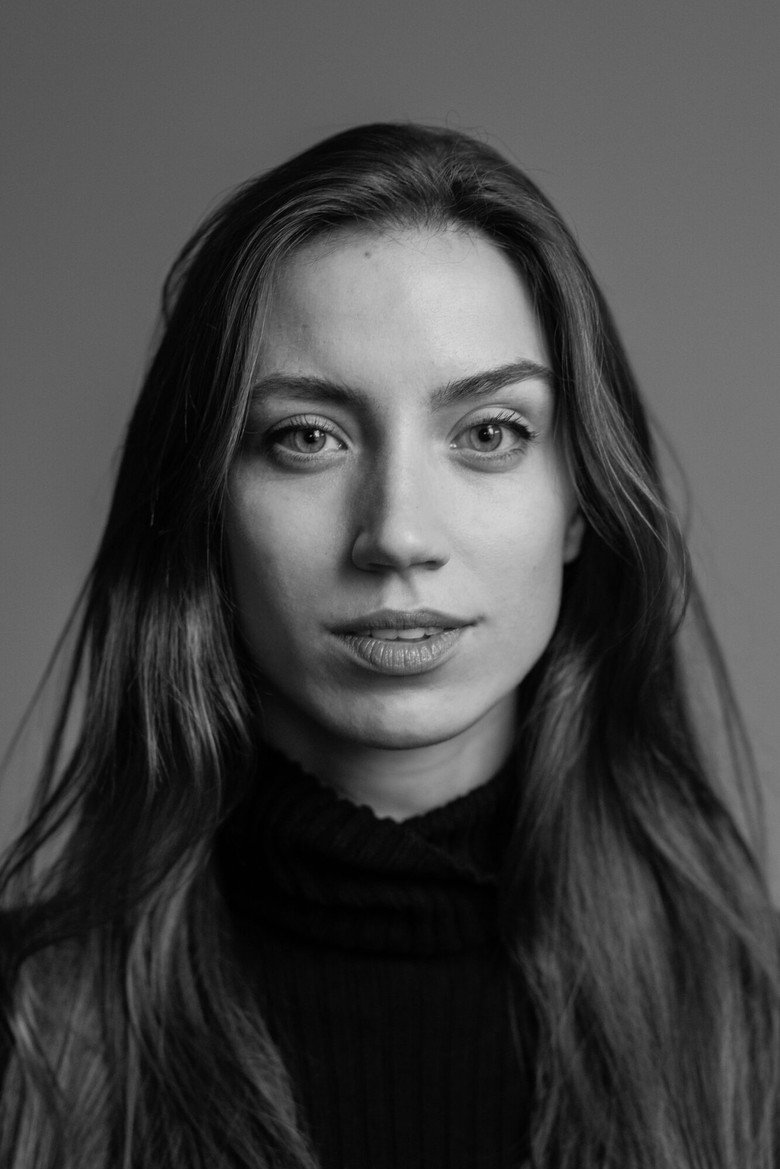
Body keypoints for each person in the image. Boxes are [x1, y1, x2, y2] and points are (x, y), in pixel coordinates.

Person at [0, 122, 778, 1169]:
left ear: (582, 501)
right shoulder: (25, 1039)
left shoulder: (753, 1031)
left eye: (490, 432)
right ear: (206, 509)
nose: (399, 534)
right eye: (306, 437)